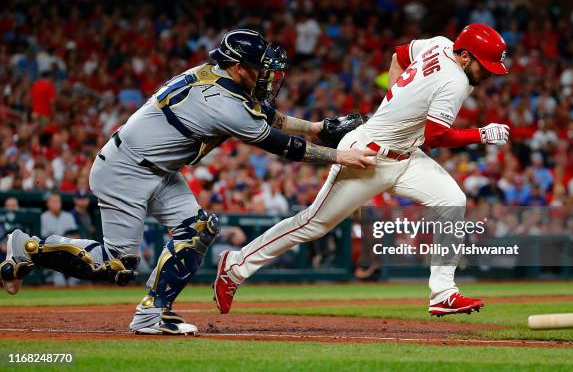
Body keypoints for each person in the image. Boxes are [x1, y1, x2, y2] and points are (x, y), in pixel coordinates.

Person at [0, 29, 375, 335]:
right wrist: (339, 154)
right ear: (238, 67)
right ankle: (28, 248)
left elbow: (264, 115)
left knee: (198, 227)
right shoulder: (221, 102)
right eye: (259, 68)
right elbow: (279, 143)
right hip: (126, 169)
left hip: (157, 169)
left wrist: (316, 128)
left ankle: (152, 314)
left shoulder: (219, 80)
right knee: (116, 267)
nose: (266, 75)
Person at [214, 24, 511, 317]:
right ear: (464, 56)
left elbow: (399, 56)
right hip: (367, 155)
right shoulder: (455, 81)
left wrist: (396, 100)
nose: (487, 73)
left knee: (452, 201)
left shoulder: (438, 43)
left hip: (406, 156)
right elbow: (436, 137)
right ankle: (235, 266)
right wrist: (482, 135)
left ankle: (443, 294)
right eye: (484, 66)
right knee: (313, 224)